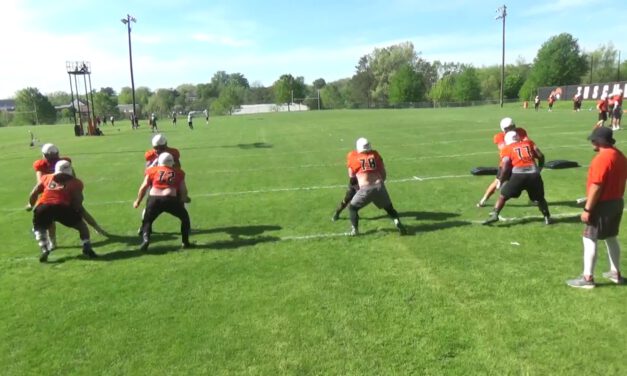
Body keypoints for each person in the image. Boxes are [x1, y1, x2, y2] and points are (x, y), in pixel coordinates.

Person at [567, 127, 626, 288]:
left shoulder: (602, 158)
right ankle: (615, 273)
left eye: (594, 139)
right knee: (611, 237)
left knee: (589, 238)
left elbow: (597, 186)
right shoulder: (620, 155)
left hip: (602, 204)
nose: (592, 142)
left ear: (601, 141)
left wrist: (587, 209)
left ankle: (587, 279)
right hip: (617, 202)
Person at [26, 160, 98, 262]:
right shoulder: (76, 182)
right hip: (62, 207)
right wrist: (76, 210)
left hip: (43, 207)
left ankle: (44, 248)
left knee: (39, 229)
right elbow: (78, 200)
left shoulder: (46, 177)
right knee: (82, 227)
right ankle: (86, 246)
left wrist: (31, 204)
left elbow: (34, 192)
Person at [482, 131, 551, 225]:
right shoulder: (529, 143)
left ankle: (495, 214)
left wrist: (501, 180)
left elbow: (506, 167)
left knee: (503, 195)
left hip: (518, 175)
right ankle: (547, 217)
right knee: (540, 198)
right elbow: (541, 155)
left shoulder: (507, 148)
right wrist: (539, 168)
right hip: (534, 174)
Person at [345, 137, 407, 236]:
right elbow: (383, 171)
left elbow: (351, 175)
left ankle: (355, 230)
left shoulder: (353, 157)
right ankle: (397, 222)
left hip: (365, 188)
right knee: (389, 208)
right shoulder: (375, 154)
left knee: (352, 208)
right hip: (379, 186)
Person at [133, 153, 193, 251]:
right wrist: (184, 198)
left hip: (154, 199)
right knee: (184, 218)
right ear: (172, 162)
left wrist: (138, 201)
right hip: (170, 199)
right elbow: (183, 190)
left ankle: (146, 240)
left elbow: (144, 187)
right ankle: (185, 242)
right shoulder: (178, 172)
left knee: (147, 221)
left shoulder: (152, 170)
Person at [476, 117, 528, 208]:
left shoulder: (520, 131)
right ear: (503, 129)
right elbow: (503, 149)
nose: (512, 129)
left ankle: (533, 199)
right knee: (497, 182)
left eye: (512, 126)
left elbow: (527, 143)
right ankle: (483, 200)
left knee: (529, 180)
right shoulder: (499, 136)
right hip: (507, 164)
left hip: (519, 162)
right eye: (509, 128)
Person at [332, 150, 360, 221]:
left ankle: (391, 212)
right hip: (355, 182)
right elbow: (352, 176)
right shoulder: (353, 157)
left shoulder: (367, 156)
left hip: (365, 182)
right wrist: (356, 187)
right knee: (347, 199)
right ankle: (337, 212)